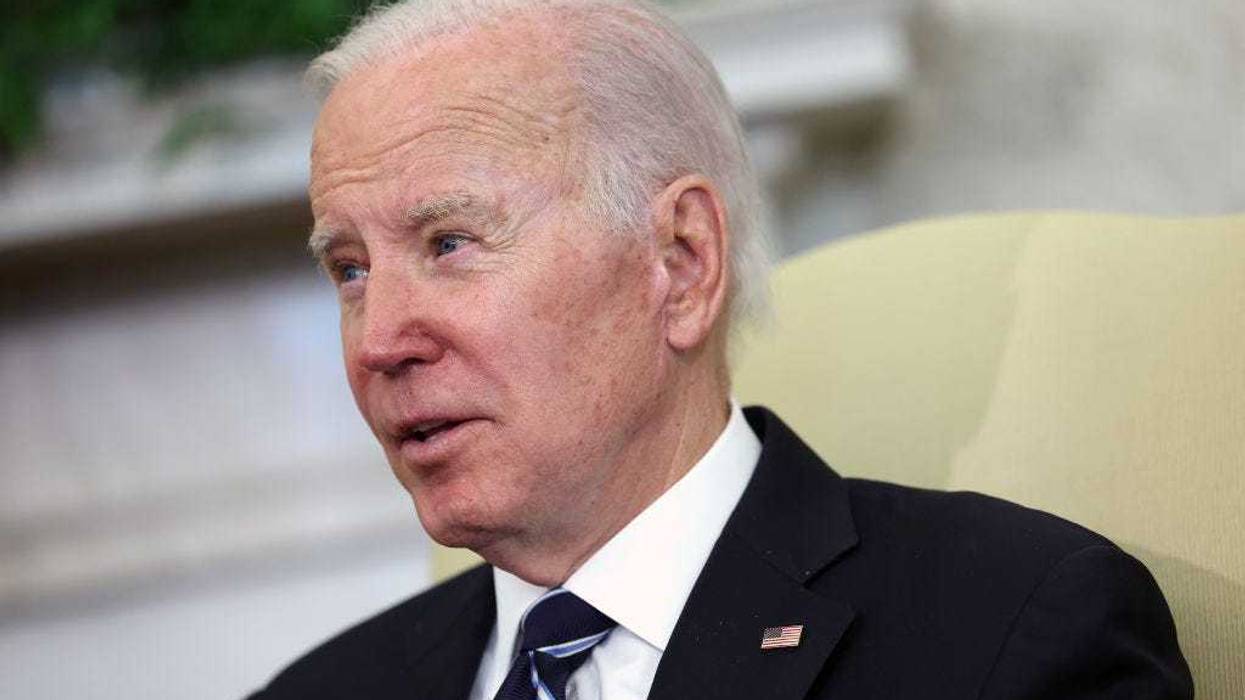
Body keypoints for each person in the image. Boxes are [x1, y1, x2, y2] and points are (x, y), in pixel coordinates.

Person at [250, 0, 1192, 698]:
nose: (378, 343)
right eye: (349, 270)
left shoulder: (1009, 631)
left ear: (682, 261)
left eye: (449, 244)